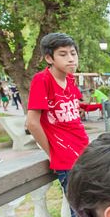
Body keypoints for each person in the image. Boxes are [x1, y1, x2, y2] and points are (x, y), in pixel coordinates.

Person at [26, 33, 89, 193]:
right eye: (63, 54)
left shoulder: (70, 79)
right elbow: (32, 123)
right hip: (66, 159)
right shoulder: (42, 80)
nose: (71, 59)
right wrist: (52, 153)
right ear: (49, 58)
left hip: (85, 151)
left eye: (73, 53)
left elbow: (74, 112)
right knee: (82, 212)